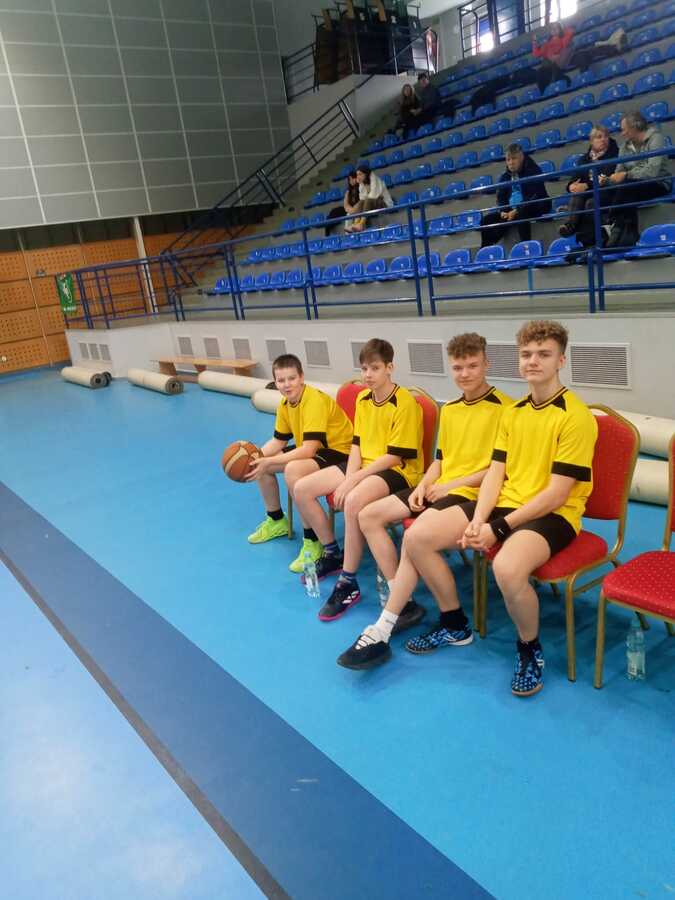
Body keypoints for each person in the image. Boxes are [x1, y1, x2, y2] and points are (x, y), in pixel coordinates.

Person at [342, 320, 598, 699]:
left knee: (507, 568)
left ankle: (529, 647)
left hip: (553, 514)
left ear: (561, 360)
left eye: (543, 354)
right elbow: (496, 472)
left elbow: (557, 494)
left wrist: (498, 527)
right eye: (527, 354)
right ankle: (452, 623)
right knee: (418, 537)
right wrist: (479, 520)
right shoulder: (515, 413)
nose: (533, 361)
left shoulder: (575, 416)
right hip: (504, 503)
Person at [337, 333, 513, 669]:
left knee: (415, 537)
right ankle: (401, 602)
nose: (464, 373)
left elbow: (500, 471)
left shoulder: (506, 409)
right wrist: (425, 485)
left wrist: (449, 486)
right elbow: (440, 459)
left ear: (486, 364)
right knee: (369, 515)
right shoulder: (452, 409)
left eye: (472, 365)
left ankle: (401, 625)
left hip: (476, 495)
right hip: (441, 488)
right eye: (458, 367)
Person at [292, 339, 424, 622]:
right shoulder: (363, 400)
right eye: (364, 368)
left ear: (390, 368)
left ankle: (348, 582)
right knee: (302, 488)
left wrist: (354, 481)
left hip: (399, 471)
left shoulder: (405, 403)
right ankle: (332, 553)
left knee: (353, 500)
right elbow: (357, 445)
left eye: (375, 368)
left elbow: (394, 457)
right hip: (365, 466)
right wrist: (349, 476)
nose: (368, 375)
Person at [245, 354, 353, 574]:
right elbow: (278, 441)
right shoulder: (285, 404)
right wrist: (254, 457)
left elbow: (309, 450)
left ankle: (312, 540)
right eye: (281, 380)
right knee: (261, 466)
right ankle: (276, 520)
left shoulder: (313, 401)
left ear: (302, 377)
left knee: (292, 469)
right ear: (275, 383)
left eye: (292, 378)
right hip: (317, 449)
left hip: (340, 452)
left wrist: (268, 460)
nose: (287, 384)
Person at [603, 111, 672, 248]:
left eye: (624, 130)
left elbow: (652, 171)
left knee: (627, 186)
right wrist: (608, 180)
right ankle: (628, 233)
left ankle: (613, 222)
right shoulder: (624, 147)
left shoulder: (655, 138)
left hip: (658, 183)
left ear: (635, 127)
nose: (622, 134)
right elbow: (618, 172)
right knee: (606, 193)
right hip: (631, 186)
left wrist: (626, 175)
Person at [480, 143, 551, 248]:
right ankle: (485, 249)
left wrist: (516, 210)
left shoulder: (533, 170)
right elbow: (501, 197)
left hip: (536, 205)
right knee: (486, 220)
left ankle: (526, 248)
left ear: (522, 157)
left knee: (522, 213)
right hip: (511, 210)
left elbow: (534, 195)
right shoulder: (505, 176)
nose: (511, 163)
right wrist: (503, 211)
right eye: (508, 160)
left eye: (514, 158)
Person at [558, 125, 618, 248]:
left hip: (607, 192)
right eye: (599, 137)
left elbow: (605, 177)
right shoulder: (584, 159)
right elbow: (574, 178)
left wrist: (586, 185)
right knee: (578, 194)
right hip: (588, 193)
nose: (603, 139)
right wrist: (571, 186)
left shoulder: (614, 154)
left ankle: (585, 238)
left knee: (589, 203)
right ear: (591, 141)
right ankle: (570, 227)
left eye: (606, 136)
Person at [345, 162, 393, 232]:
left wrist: (363, 201)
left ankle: (361, 224)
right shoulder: (362, 183)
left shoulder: (375, 179)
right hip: (373, 204)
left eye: (360, 174)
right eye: (357, 175)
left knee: (367, 200)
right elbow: (362, 198)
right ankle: (355, 223)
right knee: (361, 202)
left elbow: (373, 196)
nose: (358, 177)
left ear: (366, 174)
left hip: (385, 204)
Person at [532, 22, 574, 94]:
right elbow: (536, 54)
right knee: (540, 72)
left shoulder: (563, 39)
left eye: (556, 28)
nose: (554, 29)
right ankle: (544, 94)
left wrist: (563, 29)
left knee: (554, 68)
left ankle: (559, 83)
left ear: (560, 30)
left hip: (559, 63)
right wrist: (534, 42)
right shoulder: (546, 44)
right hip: (548, 65)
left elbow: (570, 33)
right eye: (552, 28)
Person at [325, 170, 360, 236]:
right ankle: (327, 232)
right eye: (350, 179)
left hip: (357, 208)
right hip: (349, 208)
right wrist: (349, 209)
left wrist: (352, 210)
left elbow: (361, 202)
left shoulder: (361, 188)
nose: (351, 181)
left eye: (353, 178)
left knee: (349, 214)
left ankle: (347, 233)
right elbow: (345, 204)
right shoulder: (348, 191)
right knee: (333, 211)